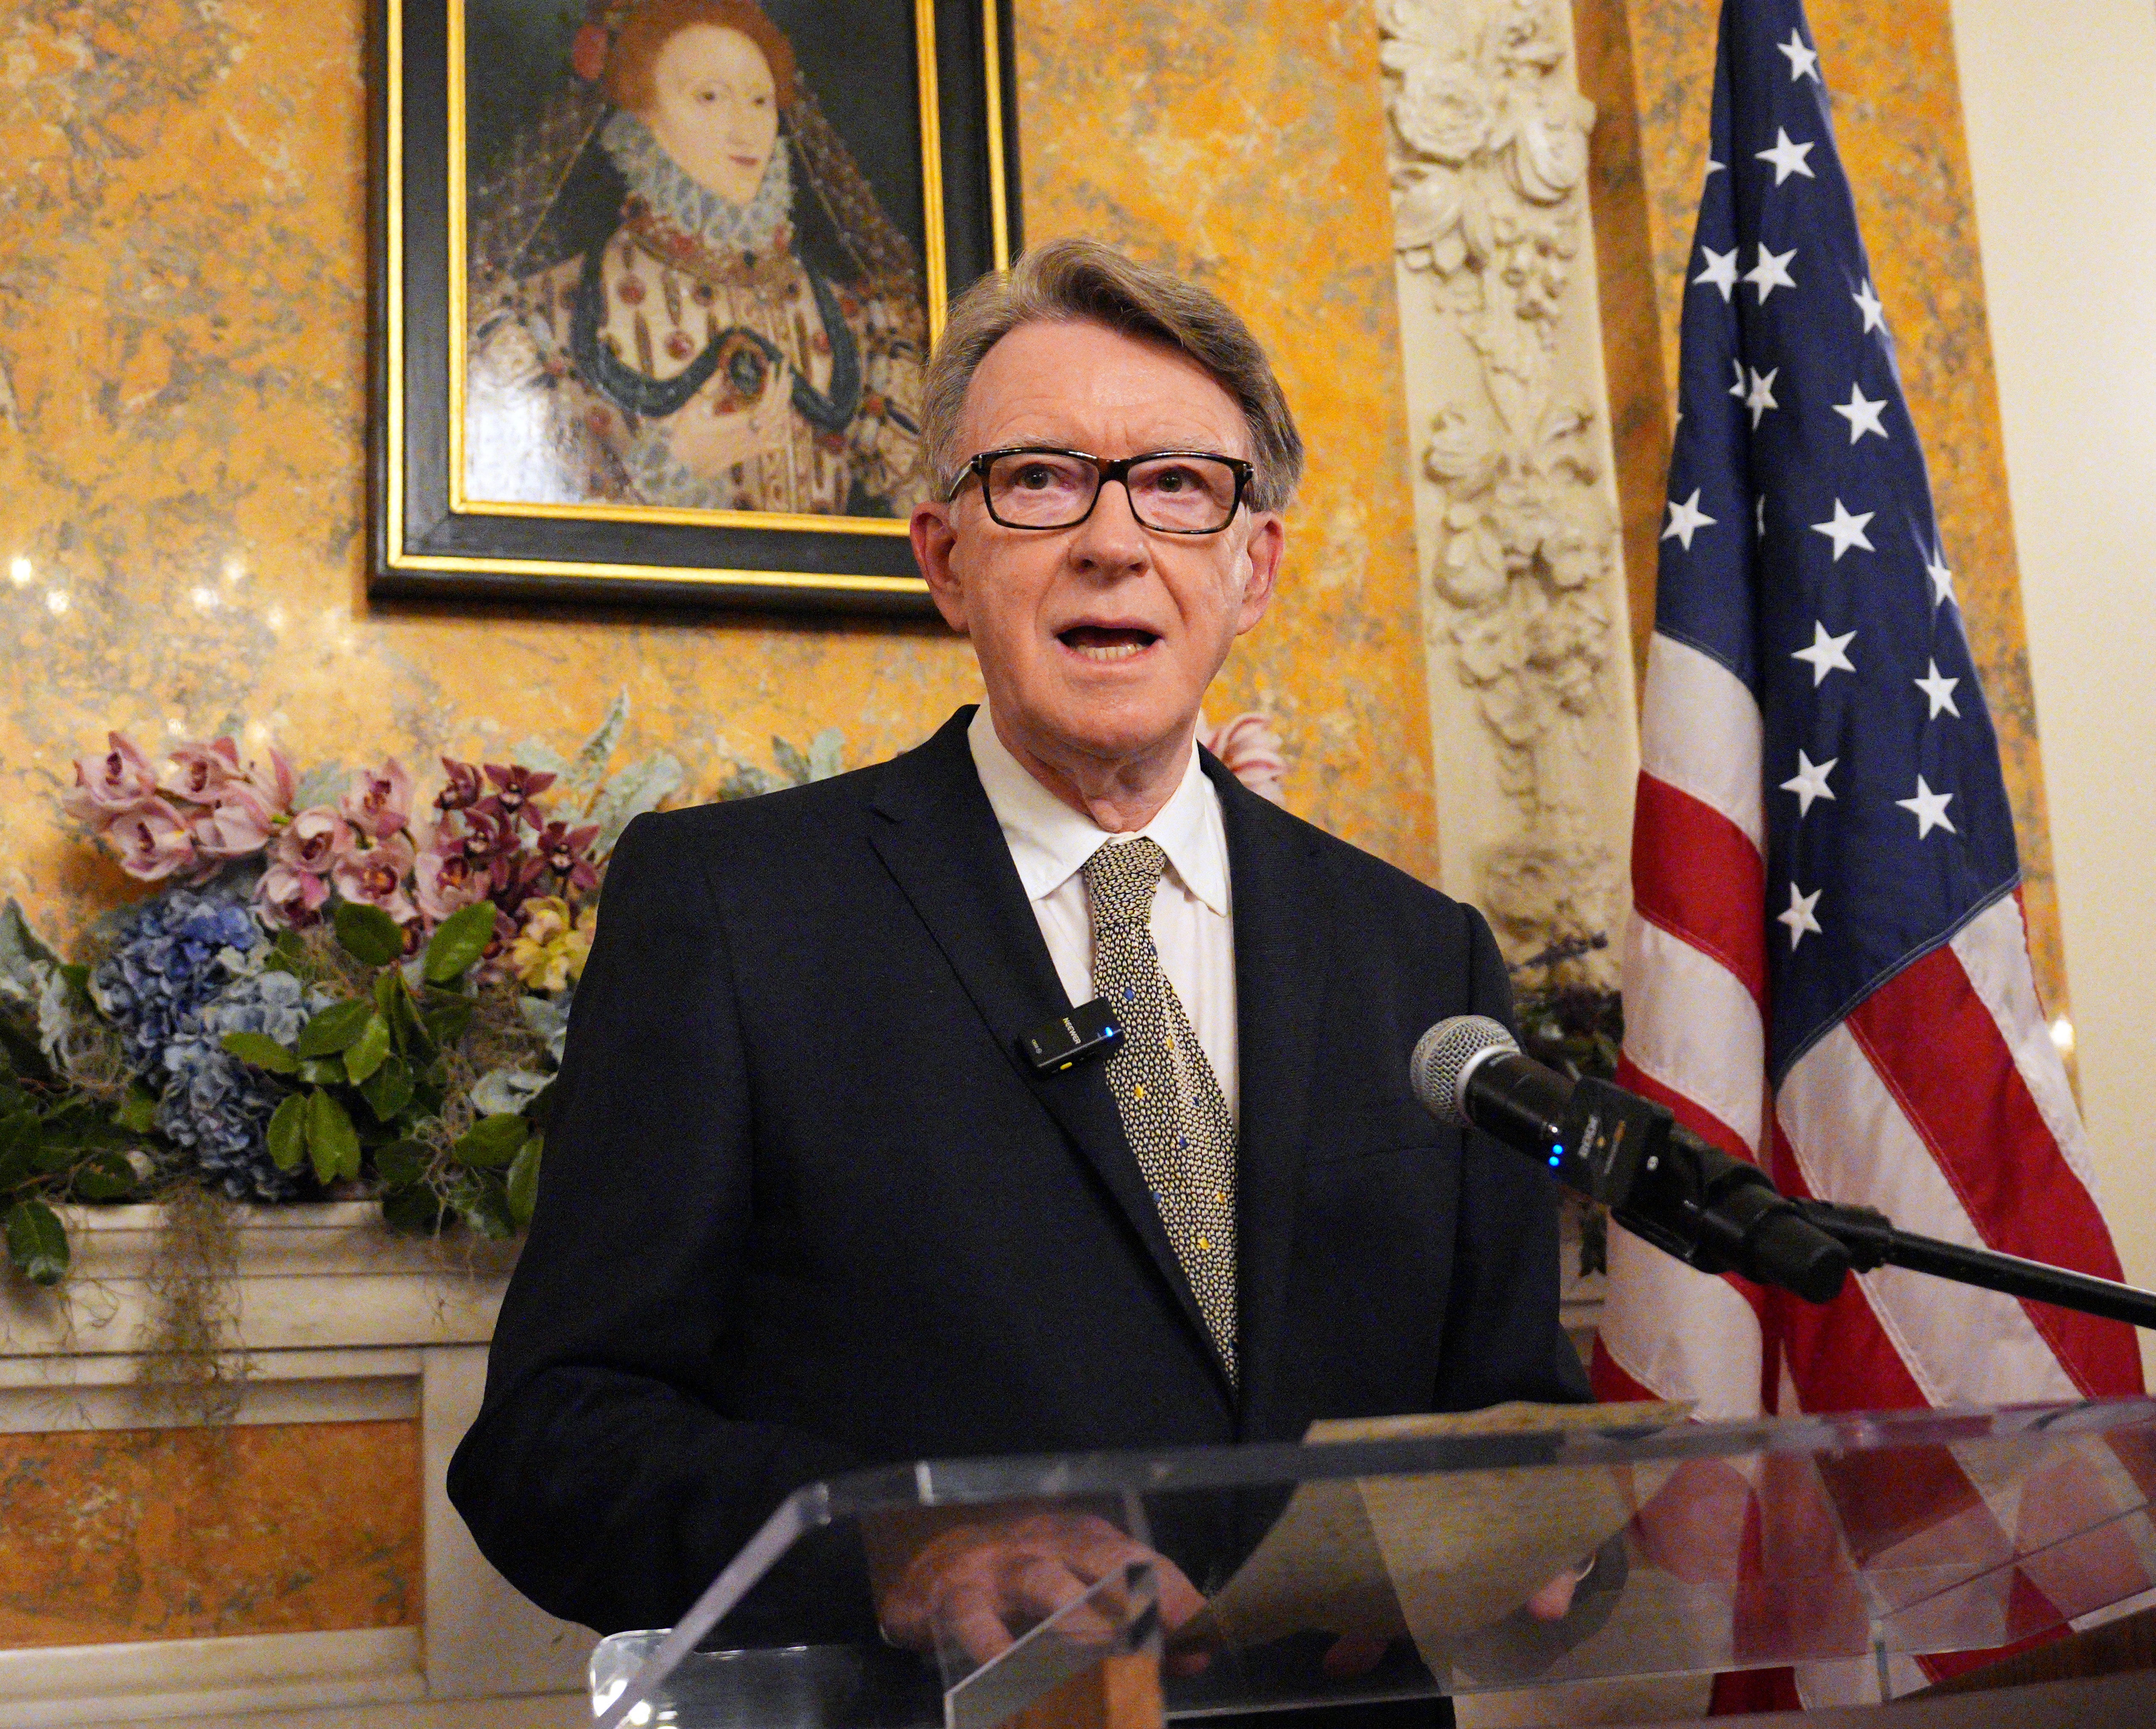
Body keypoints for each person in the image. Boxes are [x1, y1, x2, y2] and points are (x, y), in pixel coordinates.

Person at [449, 239, 1588, 1687]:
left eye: (1177, 485)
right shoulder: (735, 911)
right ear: (944, 559)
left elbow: (1512, 1425)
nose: (1111, 541)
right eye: (1040, 481)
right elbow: (551, 1440)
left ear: (1252, 568)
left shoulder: (1422, 954)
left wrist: (1554, 1548)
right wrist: (896, 1550)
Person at [465, 0, 931, 516]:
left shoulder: (859, 324)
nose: (746, 129)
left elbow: (923, 541)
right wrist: (677, 469)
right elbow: (531, 538)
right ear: (639, 112)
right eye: (710, 97)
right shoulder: (546, 315)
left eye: (760, 101)